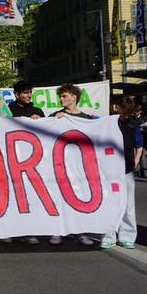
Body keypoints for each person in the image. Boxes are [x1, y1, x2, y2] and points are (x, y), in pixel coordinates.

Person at [48, 83, 95, 246]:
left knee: (80, 197)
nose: (61, 99)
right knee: (59, 197)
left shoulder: (87, 119)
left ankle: (80, 232)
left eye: (64, 96)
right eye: (60, 96)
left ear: (74, 97)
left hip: (80, 166)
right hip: (60, 164)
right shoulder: (55, 115)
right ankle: (58, 231)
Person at [101, 96, 143, 249]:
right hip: (110, 169)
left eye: (128, 111)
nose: (125, 114)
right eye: (123, 110)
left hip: (127, 169)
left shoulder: (134, 124)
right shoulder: (107, 122)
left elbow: (139, 144)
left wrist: (137, 159)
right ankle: (108, 236)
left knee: (128, 205)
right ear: (116, 107)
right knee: (109, 203)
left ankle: (128, 236)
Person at [5, 80, 44, 245]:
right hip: (10, 158)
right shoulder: (7, 110)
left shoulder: (37, 111)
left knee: (29, 196)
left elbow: (46, 132)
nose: (29, 95)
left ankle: (29, 231)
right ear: (17, 94)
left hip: (31, 161)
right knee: (12, 195)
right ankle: (9, 230)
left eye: (30, 92)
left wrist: (39, 120)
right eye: (25, 93)